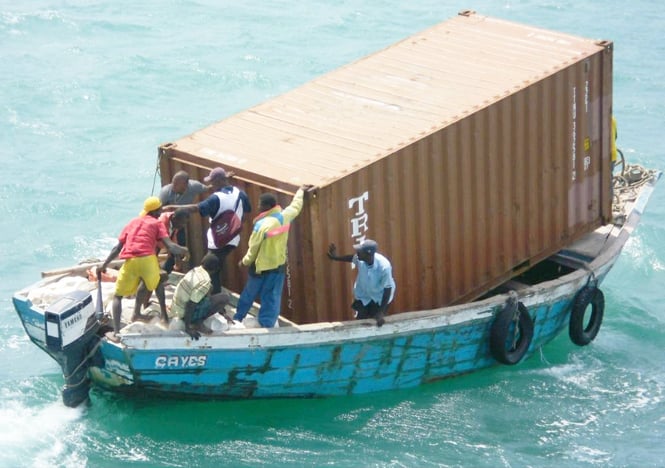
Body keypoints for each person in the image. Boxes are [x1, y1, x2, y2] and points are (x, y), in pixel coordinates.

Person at [99, 196, 189, 338]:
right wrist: (185, 251)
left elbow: (117, 248)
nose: (160, 212)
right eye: (159, 209)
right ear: (156, 211)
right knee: (158, 280)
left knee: (117, 296)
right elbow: (170, 246)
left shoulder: (132, 222)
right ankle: (164, 318)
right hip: (147, 259)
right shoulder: (158, 223)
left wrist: (104, 265)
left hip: (130, 261)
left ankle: (117, 332)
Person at [234, 185, 310, 327]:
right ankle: (267, 324)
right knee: (271, 297)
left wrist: (244, 262)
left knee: (249, 294)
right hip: (276, 267)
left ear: (267, 206)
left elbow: (253, 249)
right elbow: (296, 206)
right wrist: (301, 191)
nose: (258, 206)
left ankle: (238, 318)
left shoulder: (261, 225)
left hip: (258, 268)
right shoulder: (284, 217)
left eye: (260, 204)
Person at [177, 167, 251, 294]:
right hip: (233, 239)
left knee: (208, 268)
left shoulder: (216, 198)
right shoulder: (240, 193)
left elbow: (196, 208)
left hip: (217, 241)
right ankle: (214, 294)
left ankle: (212, 297)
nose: (211, 185)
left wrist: (173, 208)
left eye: (212, 182)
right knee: (216, 266)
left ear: (219, 181)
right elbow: (247, 213)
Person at [327, 239, 395, 327]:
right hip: (365, 296)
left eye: (360, 251)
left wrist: (381, 312)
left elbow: (387, 288)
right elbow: (351, 258)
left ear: (368, 254)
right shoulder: (360, 258)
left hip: (379, 298)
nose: (357, 252)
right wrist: (335, 258)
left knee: (376, 323)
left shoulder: (384, 267)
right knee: (360, 322)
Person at [169, 253, 232, 340]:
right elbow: (191, 304)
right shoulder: (205, 281)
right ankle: (196, 322)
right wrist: (188, 328)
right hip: (184, 312)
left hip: (177, 308)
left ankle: (195, 319)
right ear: (215, 270)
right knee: (225, 298)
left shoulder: (195, 270)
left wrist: (222, 313)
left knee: (210, 288)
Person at [159, 171, 208, 265]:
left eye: (177, 185)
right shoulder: (166, 192)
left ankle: (177, 265)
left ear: (186, 185)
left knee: (180, 246)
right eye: (173, 184)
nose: (174, 187)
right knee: (169, 247)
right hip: (167, 223)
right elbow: (158, 210)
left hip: (180, 223)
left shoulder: (194, 187)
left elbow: (208, 188)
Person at [157, 208, 190, 273]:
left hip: (163, 243)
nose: (183, 226)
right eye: (182, 223)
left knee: (174, 255)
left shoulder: (175, 223)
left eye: (185, 223)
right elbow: (169, 245)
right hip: (152, 245)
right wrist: (185, 250)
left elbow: (173, 240)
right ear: (174, 218)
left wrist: (177, 258)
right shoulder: (162, 222)